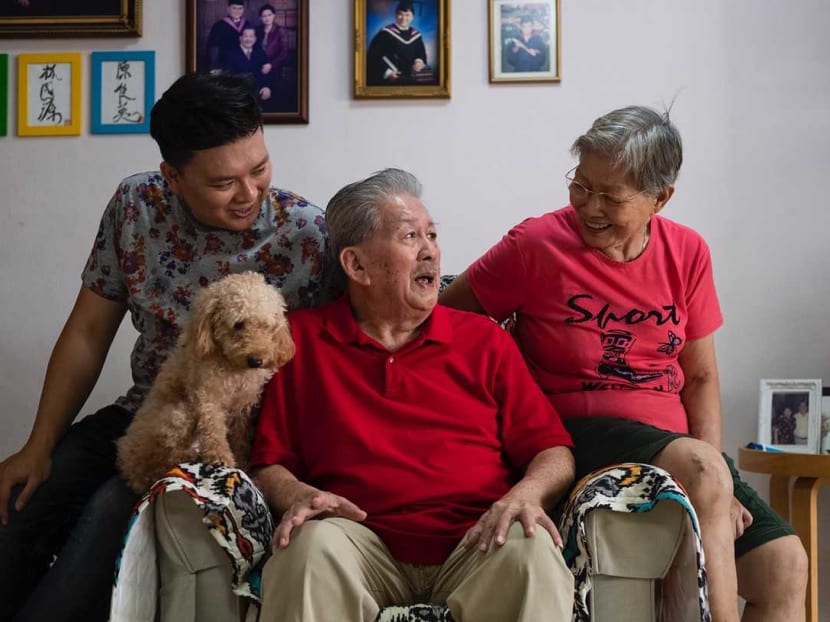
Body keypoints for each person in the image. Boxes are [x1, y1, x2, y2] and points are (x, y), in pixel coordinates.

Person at [440, 106, 808, 621]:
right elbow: (448, 318)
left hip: (675, 445)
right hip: (577, 429)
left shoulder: (688, 252)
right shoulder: (537, 245)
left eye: (611, 197)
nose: (589, 207)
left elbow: (699, 376)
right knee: (702, 470)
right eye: (581, 185)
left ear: (661, 198)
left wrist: (717, 481)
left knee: (784, 565)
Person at [0, 72, 327, 622]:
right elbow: (87, 332)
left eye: (260, 168)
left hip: (234, 428)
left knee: (109, 514)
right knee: (23, 503)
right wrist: (39, 443)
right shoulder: (136, 205)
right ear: (172, 176)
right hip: (146, 408)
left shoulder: (305, 234)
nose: (249, 193)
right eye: (224, 182)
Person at [250, 168, 576, 621]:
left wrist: (528, 493)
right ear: (355, 265)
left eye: (432, 235)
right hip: (358, 543)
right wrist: (299, 494)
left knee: (532, 551)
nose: (430, 251)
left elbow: (552, 450)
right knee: (307, 548)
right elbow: (269, 463)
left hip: (476, 542)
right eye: (409, 236)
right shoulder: (299, 341)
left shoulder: (484, 340)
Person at [366, 1, 432, 86]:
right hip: (389, 79)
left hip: (410, 78)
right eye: (400, 14)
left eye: (407, 15)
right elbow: (373, 55)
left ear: (412, 17)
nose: (404, 18)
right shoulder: (385, 33)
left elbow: (420, 53)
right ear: (396, 15)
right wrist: (388, 73)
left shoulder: (416, 35)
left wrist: (418, 62)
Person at [224, 26, 274, 105]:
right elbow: (228, 76)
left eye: (251, 36)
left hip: (259, 92)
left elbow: (266, 73)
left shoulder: (260, 53)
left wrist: (266, 87)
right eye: (245, 36)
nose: (248, 39)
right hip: (239, 94)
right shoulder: (231, 54)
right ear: (240, 38)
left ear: (255, 39)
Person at [206, 1, 251, 72]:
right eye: (234, 8)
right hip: (224, 65)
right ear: (228, 9)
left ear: (243, 10)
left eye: (240, 8)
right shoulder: (219, 26)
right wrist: (215, 65)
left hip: (243, 65)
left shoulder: (247, 24)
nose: (237, 11)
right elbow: (213, 47)